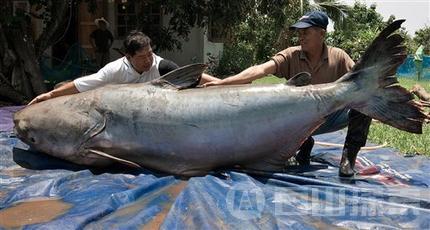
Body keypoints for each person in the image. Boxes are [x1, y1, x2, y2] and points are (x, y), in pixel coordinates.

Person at [203, 11, 372, 177]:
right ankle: (302, 144)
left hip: (330, 116)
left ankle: (348, 159)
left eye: (306, 32)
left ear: (322, 33)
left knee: (364, 101)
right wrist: (222, 83)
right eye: (299, 33)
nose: (301, 37)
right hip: (296, 121)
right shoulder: (291, 55)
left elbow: (361, 79)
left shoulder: (339, 56)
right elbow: (260, 69)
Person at [29, 31, 219, 105]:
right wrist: (49, 96)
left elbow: (194, 76)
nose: (148, 60)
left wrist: (225, 83)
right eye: (142, 57)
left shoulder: (162, 66)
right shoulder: (113, 71)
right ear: (128, 56)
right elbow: (81, 85)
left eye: (150, 54)